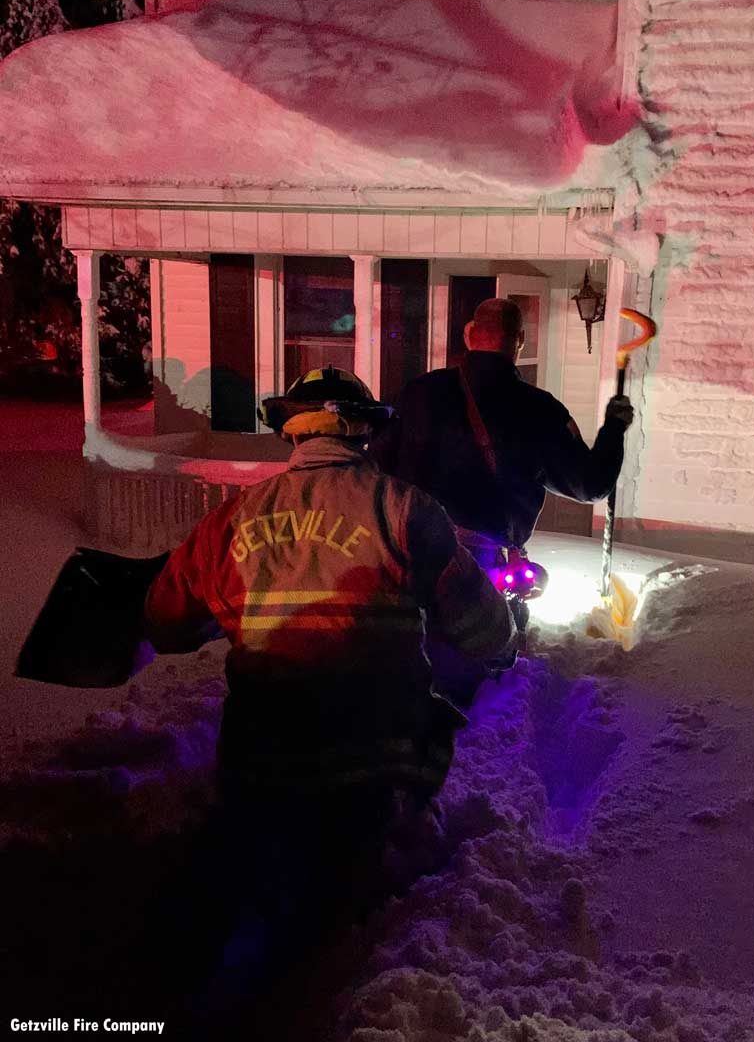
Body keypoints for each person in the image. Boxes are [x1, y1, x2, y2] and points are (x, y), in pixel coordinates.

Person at [142, 365, 515, 1022]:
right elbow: (482, 628)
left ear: (292, 431)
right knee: (340, 921)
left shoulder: (230, 521)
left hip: (262, 767)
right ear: (364, 432)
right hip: (369, 771)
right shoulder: (405, 510)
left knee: (245, 898)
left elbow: (165, 622)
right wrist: (505, 645)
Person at [370, 296, 635, 574]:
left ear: (468, 334)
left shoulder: (417, 393)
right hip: (487, 570)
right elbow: (590, 485)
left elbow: (375, 469)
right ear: (520, 340)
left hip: (411, 560)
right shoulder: (539, 410)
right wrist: (614, 428)